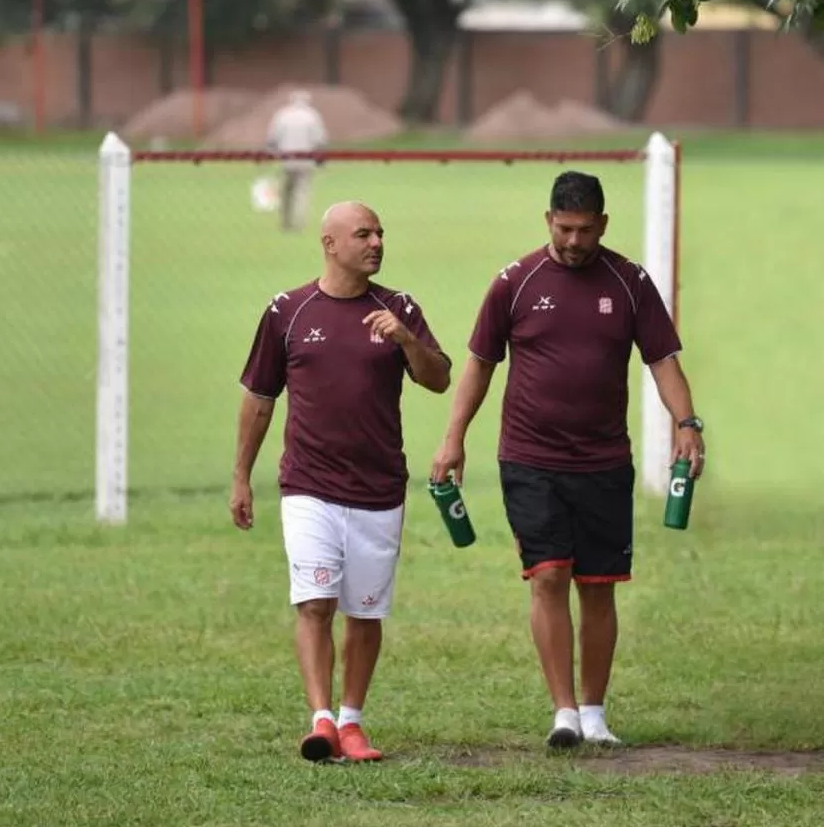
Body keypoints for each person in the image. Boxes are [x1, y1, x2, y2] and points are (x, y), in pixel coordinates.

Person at [430, 171, 705, 749]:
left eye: (586, 229)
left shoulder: (629, 282)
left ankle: (595, 711)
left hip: (604, 459)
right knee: (550, 575)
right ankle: (563, 713)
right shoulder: (515, 282)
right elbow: (480, 363)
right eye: (565, 228)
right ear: (547, 220)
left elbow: (663, 361)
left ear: (603, 223)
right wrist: (454, 438)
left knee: (598, 585)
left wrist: (687, 424)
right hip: (530, 456)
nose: (575, 240)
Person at [231, 201, 451, 762]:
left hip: (379, 489)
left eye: (380, 232)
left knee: (366, 610)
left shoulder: (398, 308)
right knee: (315, 602)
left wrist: (406, 340)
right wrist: (241, 478)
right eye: (363, 234)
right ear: (330, 244)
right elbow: (259, 400)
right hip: (308, 487)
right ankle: (322, 719)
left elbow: (438, 378)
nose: (376, 242)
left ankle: (353, 721)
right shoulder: (289, 311)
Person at [265, 89, 328, 232]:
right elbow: (319, 139)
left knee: (285, 192)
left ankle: (285, 222)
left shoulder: (282, 115)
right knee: (302, 192)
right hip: (306, 160)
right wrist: (320, 159)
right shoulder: (312, 116)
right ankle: (299, 223)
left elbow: (272, 138)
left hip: (286, 160)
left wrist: (272, 154)